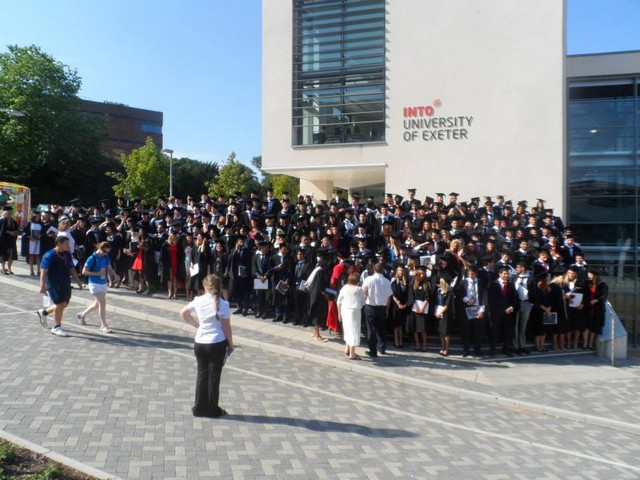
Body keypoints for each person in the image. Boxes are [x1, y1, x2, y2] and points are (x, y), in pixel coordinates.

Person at [179, 274, 234, 418]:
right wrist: (231, 343)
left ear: (205, 287)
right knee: (214, 377)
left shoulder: (198, 300)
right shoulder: (224, 304)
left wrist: (197, 325)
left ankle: (199, 407)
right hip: (217, 342)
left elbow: (183, 313)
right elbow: (226, 328)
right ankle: (212, 408)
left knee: (202, 375)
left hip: (200, 342)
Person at [36, 236, 84, 337]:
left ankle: (44, 312)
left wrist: (78, 282)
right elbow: (43, 272)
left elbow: (72, 269)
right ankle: (56, 327)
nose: (68, 245)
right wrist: (42, 286)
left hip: (65, 282)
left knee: (64, 304)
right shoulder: (49, 255)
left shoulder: (67, 254)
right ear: (59, 243)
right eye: (66, 243)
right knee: (60, 304)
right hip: (53, 283)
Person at [78, 241, 113, 333]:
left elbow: (109, 268)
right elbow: (84, 272)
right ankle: (103, 325)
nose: (105, 253)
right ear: (100, 249)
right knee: (102, 303)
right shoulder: (92, 258)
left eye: (107, 252)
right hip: (94, 283)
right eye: (104, 251)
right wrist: (97, 273)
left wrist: (115, 275)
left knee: (97, 304)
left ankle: (82, 315)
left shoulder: (105, 256)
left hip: (103, 282)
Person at [362, 262, 393, 358]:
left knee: (371, 329)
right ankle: (381, 348)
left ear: (374, 269)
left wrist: (364, 300)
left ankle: (373, 351)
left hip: (370, 306)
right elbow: (389, 297)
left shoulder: (368, 279)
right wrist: (387, 309)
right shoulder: (387, 281)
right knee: (381, 329)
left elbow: (365, 291)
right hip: (381, 307)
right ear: (383, 270)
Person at [337, 272, 366, 359]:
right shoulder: (359, 289)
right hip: (354, 311)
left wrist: (339, 313)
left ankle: (347, 349)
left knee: (347, 329)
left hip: (344, 310)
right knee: (354, 331)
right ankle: (352, 353)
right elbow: (363, 302)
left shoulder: (345, 287)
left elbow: (339, 301)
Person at [407, 265, 430, 352]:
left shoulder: (426, 284)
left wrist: (422, 308)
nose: (421, 275)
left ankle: (424, 345)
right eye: (420, 273)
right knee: (415, 329)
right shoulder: (412, 284)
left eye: (423, 274)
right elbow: (411, 296)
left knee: (423, 329)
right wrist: (416, 307)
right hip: (415, 309)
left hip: (423, 309)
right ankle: (417, 345)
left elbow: (427, 297)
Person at [586, 268, 608, 350]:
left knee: (594, 326)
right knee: (587, 325)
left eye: (590, 274)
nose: (589, 276)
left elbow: (603, 295)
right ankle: (585, 343)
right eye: (588, 274)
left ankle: (590, 344)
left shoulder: (602, 284)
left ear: (595, 276)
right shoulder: (587, 283)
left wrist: (596, 300)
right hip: (588, 307)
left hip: (597, 308)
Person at [390, 264, 410, 348]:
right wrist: (398, 303)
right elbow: (392, 294)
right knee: (396, 324)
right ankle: (396, 341)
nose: (401, 272)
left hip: (404, 305)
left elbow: (409, 294)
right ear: (397, 271)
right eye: (399, 270)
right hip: (396, 305)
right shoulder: (394, 281)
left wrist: (405, 304)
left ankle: (401, 341)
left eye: (402, 270)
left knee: (401, 324)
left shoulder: (406, 282)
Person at [435, 278, 454, 356]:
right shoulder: (439, 291)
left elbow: (447, 305)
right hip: (439, 313)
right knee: (441, 332)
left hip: (446, 314)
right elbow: (437, 302)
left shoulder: (449, 292)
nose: (440, 283)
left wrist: (440, 312)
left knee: (446, 332)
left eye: (441, 282)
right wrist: (436, 311)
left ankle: (446, 349)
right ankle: (442, 347)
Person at [0, 205, 19, 274]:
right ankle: (3, 269)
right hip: (4, 239)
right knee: (4, 254)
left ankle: (9, 268)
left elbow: (16, 228)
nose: (12, 212)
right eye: (10, 211)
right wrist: (10, 232)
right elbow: (2, 230)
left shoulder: (12, 220)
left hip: (11, 239)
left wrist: (16, 232)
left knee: (11, 254)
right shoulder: (2, 220)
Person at [25, 211, 43, 276]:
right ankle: (31, 270)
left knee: (38, 255)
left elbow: (43, 232)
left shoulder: (41, 224)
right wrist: (29, 237)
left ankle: (38, 270)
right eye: (38, 216)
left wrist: (40, 235)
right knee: (31, 255)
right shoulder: (29, 224)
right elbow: (26, 232)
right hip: (31, 242)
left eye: (39, 216)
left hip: (38, 241)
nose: (39, 217)